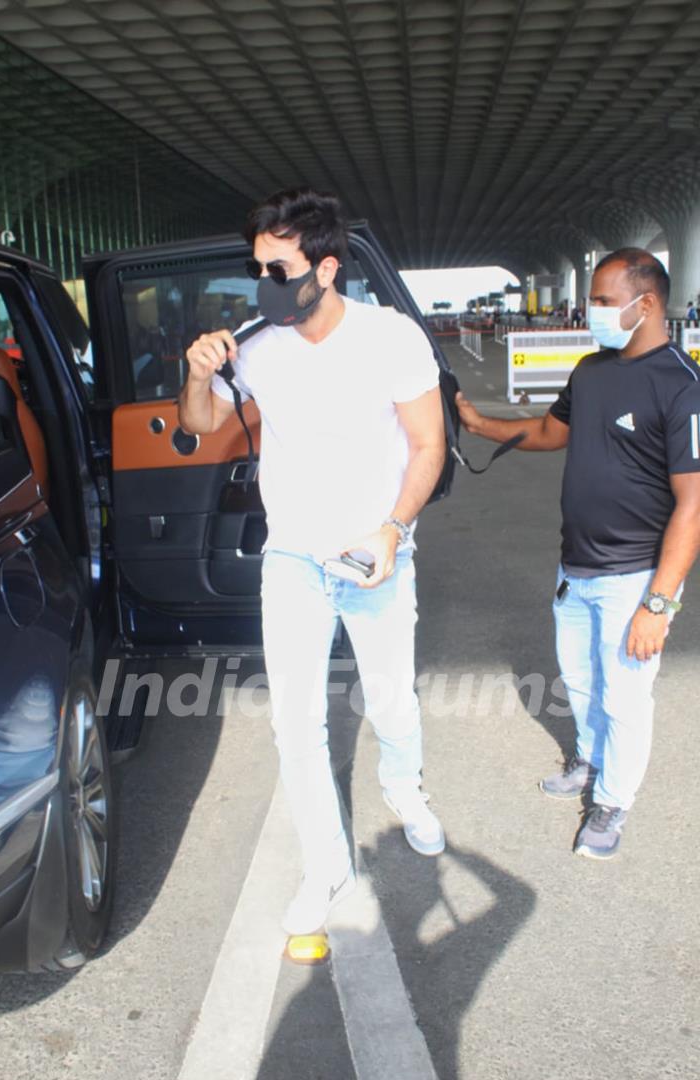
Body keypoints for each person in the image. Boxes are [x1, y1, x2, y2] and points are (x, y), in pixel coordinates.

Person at [178, 188, 447, 932]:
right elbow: (199, 426)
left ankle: (405, 787)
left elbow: (428, 446)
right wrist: (198, 374)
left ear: (326, 268)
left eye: (278, 267)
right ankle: (327, 868)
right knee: (295, 726)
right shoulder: (257, 346)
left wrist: (394, 529)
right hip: (291, 558)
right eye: (257, 267)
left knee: (391, 700)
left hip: (374, 554)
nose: (263, 283)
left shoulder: (391, 338)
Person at [456, 248, 700, 860]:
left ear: (645, 304)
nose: (590, 310)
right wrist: (482, 426)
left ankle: (613, 802)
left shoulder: (681, 385)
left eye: (601, 300)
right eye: (591, 298)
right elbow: (550, 431)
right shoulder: (592, 370)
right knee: (583, 684)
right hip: (576, 568)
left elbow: (693, 505)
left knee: (624, 698)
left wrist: (659, 602)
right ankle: (590, 765)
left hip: (635, 577)